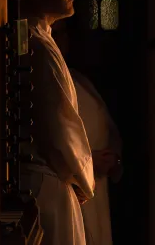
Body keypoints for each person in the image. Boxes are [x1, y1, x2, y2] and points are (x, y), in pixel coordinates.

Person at [18, 0, 95, 245]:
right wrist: (83, 180)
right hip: (46, 186)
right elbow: (60, 126)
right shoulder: (37, 46)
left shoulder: (41, 40)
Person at [52, 21, 123, 245]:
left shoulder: (79, 80)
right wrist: (88, 164)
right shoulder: (51, 80)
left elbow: (109, 128)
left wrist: (114, 159)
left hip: (97, 191)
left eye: (64, 33)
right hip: (74, 190)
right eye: (57, 33)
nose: (62, 40)